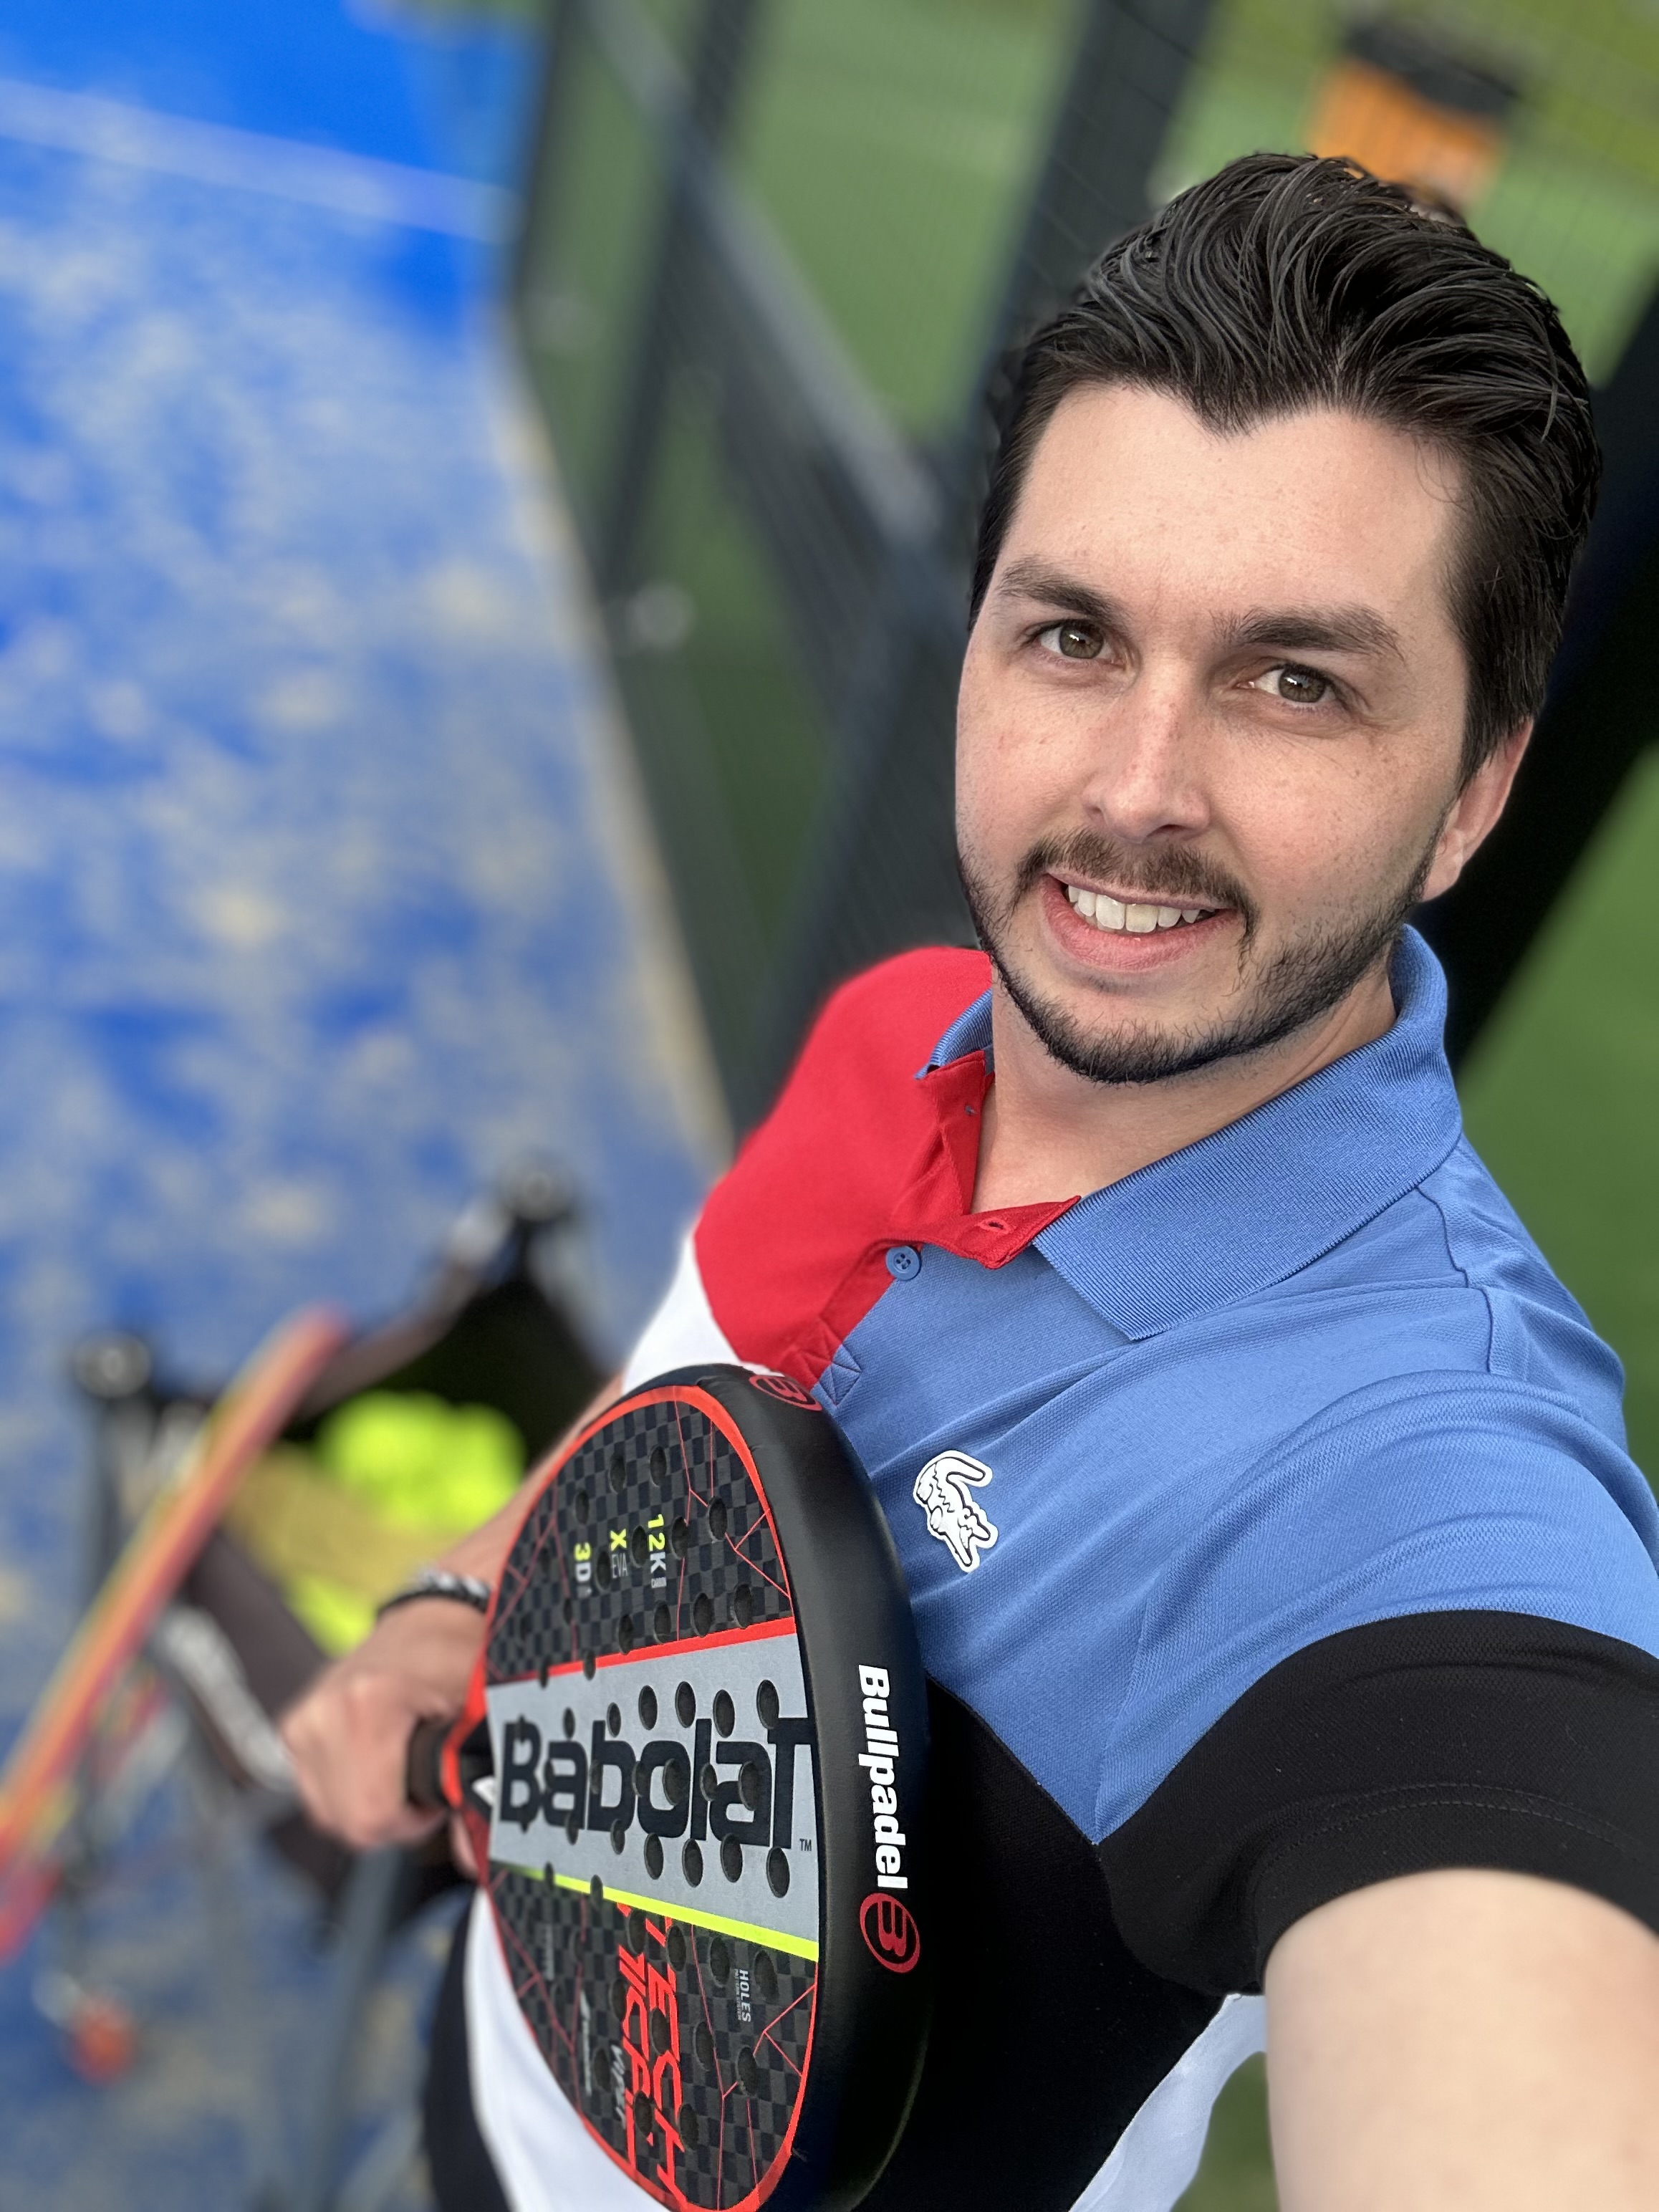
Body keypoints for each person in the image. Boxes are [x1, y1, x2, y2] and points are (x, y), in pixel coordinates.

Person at [281, 153, 1659, 2211]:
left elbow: (1494, 1931)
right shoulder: (903, 1032)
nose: (1135, 790)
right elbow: (671, 1441)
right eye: (1074, 635)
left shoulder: (1410, 1489)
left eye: (1295, 679)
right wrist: (458, 1600)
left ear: (1474, 791)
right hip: (471, 2099)